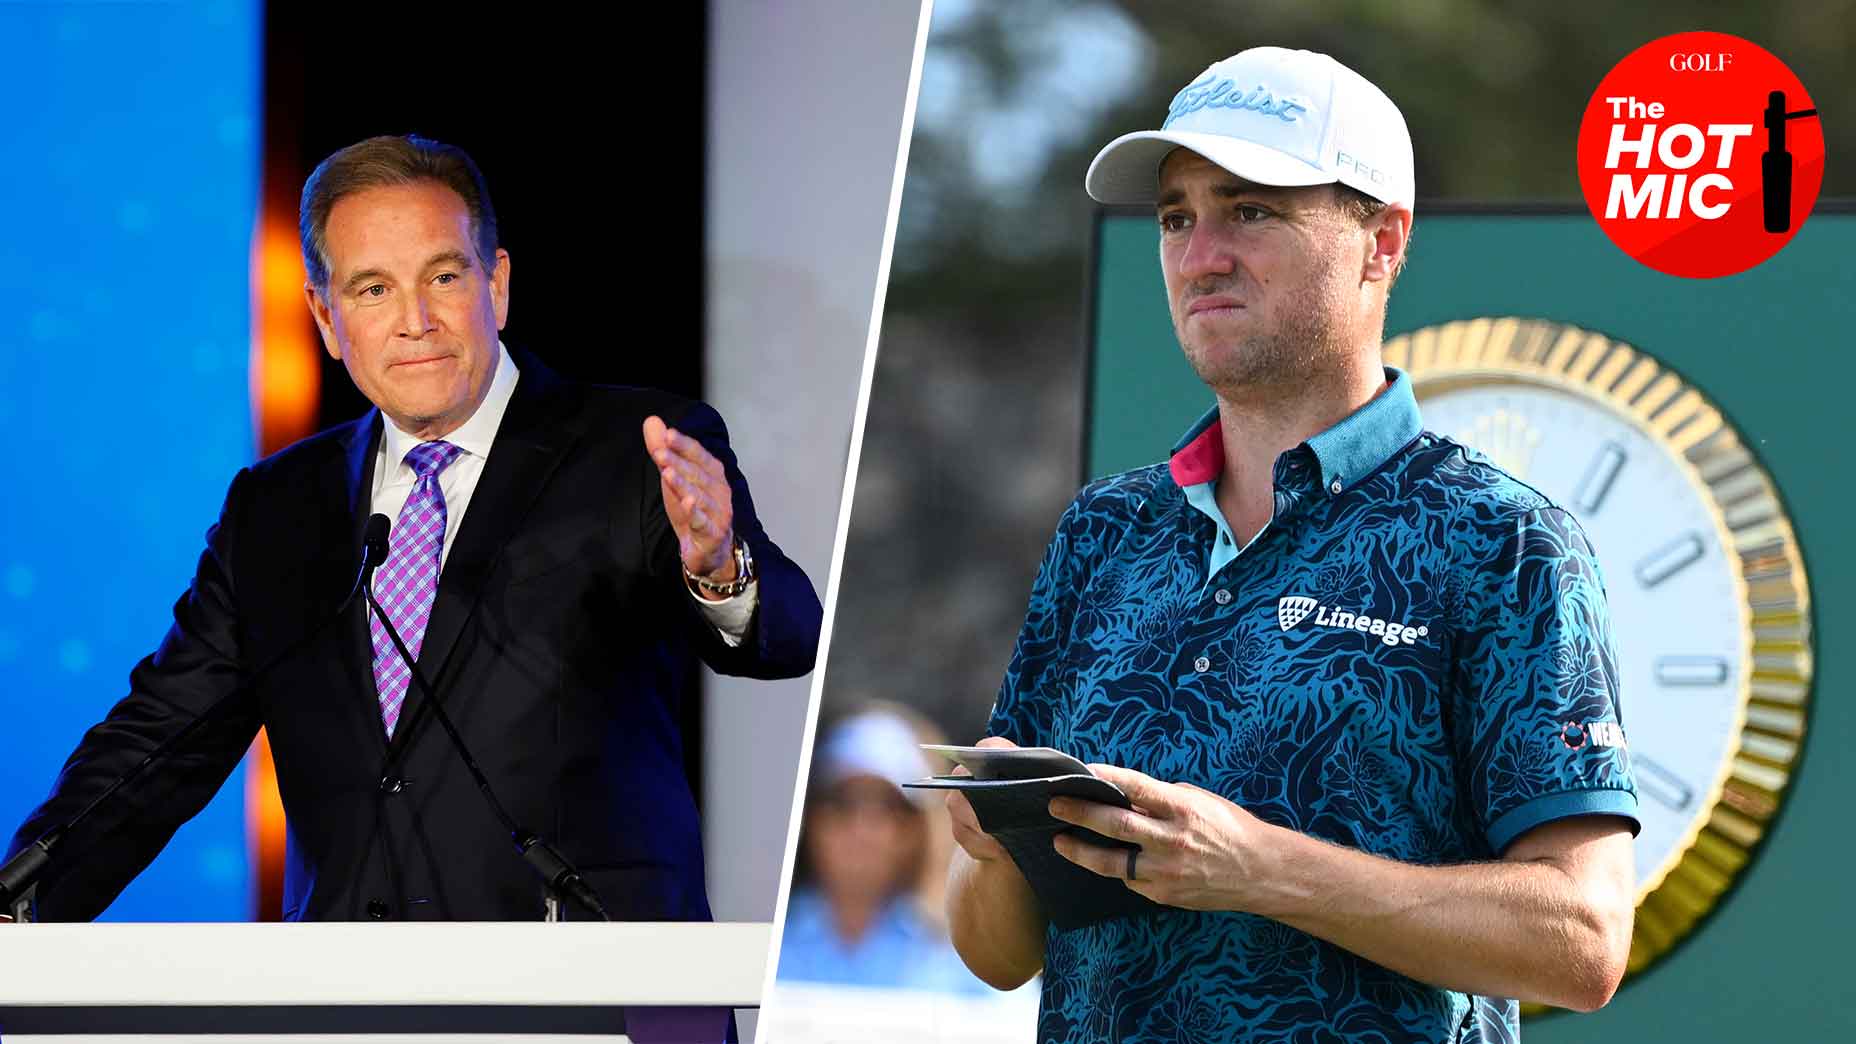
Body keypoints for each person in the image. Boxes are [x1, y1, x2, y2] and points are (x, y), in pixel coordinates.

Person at [943, 47, 1638, 1042]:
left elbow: (1581, 940)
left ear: (1380, 241)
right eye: (1176, 216)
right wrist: (989, 851)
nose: (1198, 254)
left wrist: (1259, 869)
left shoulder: (1500, 540)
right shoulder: (1103, 532)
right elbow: (998, 955)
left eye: (1249, 210)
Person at [5, 135, 822, 926]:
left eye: (442, 276)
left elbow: (786, 637)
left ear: (495, 286)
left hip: (589, 984)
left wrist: (718, 566)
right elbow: (160, 742)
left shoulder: (635, 447)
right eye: (372, 290)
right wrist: (18, 901)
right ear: (326, 319)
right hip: (354, 1000)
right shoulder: (278, 508)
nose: (415, 321)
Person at [776, 705, 989, 995]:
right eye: (841, 802)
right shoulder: (764, 937)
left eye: (889, 806)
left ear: (921, 828)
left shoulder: (967, 957)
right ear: (810, 817)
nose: (862, 827)